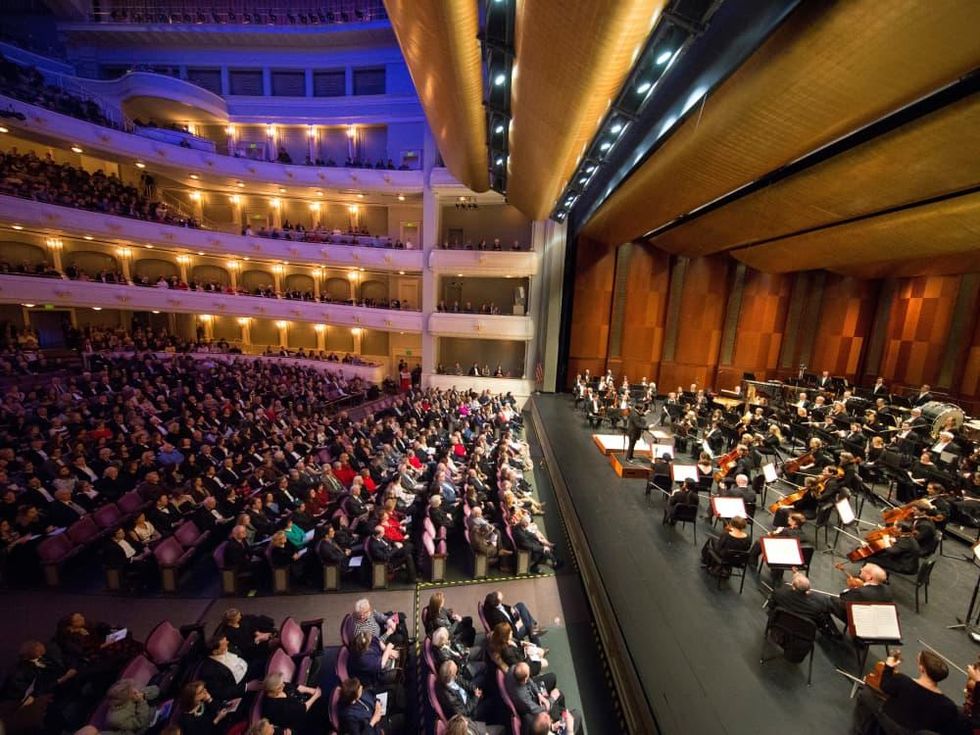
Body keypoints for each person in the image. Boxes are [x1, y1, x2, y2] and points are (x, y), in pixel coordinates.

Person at [852, 650, 965, 735]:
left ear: (922, 669)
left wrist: (889, 668)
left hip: (887, 726)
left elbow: (884, 686)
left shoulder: (902, 681)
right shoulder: (947, 705)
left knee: (866, 694)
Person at [765, 571, 836, 638]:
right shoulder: (815, 609)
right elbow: (818, 623)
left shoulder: (778, 594)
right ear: (808, 590)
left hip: (779, 627)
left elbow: (771, 606)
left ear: (793, 586)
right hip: (802, 634)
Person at [198, 636, 251, 704]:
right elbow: (221, 692)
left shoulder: (228, 647)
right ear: (215, 652)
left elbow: (241, 654)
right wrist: (246, 687)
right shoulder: (209, 670)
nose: (227, 643)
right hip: (240, 687)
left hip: (249, 668)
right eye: (224, 644)